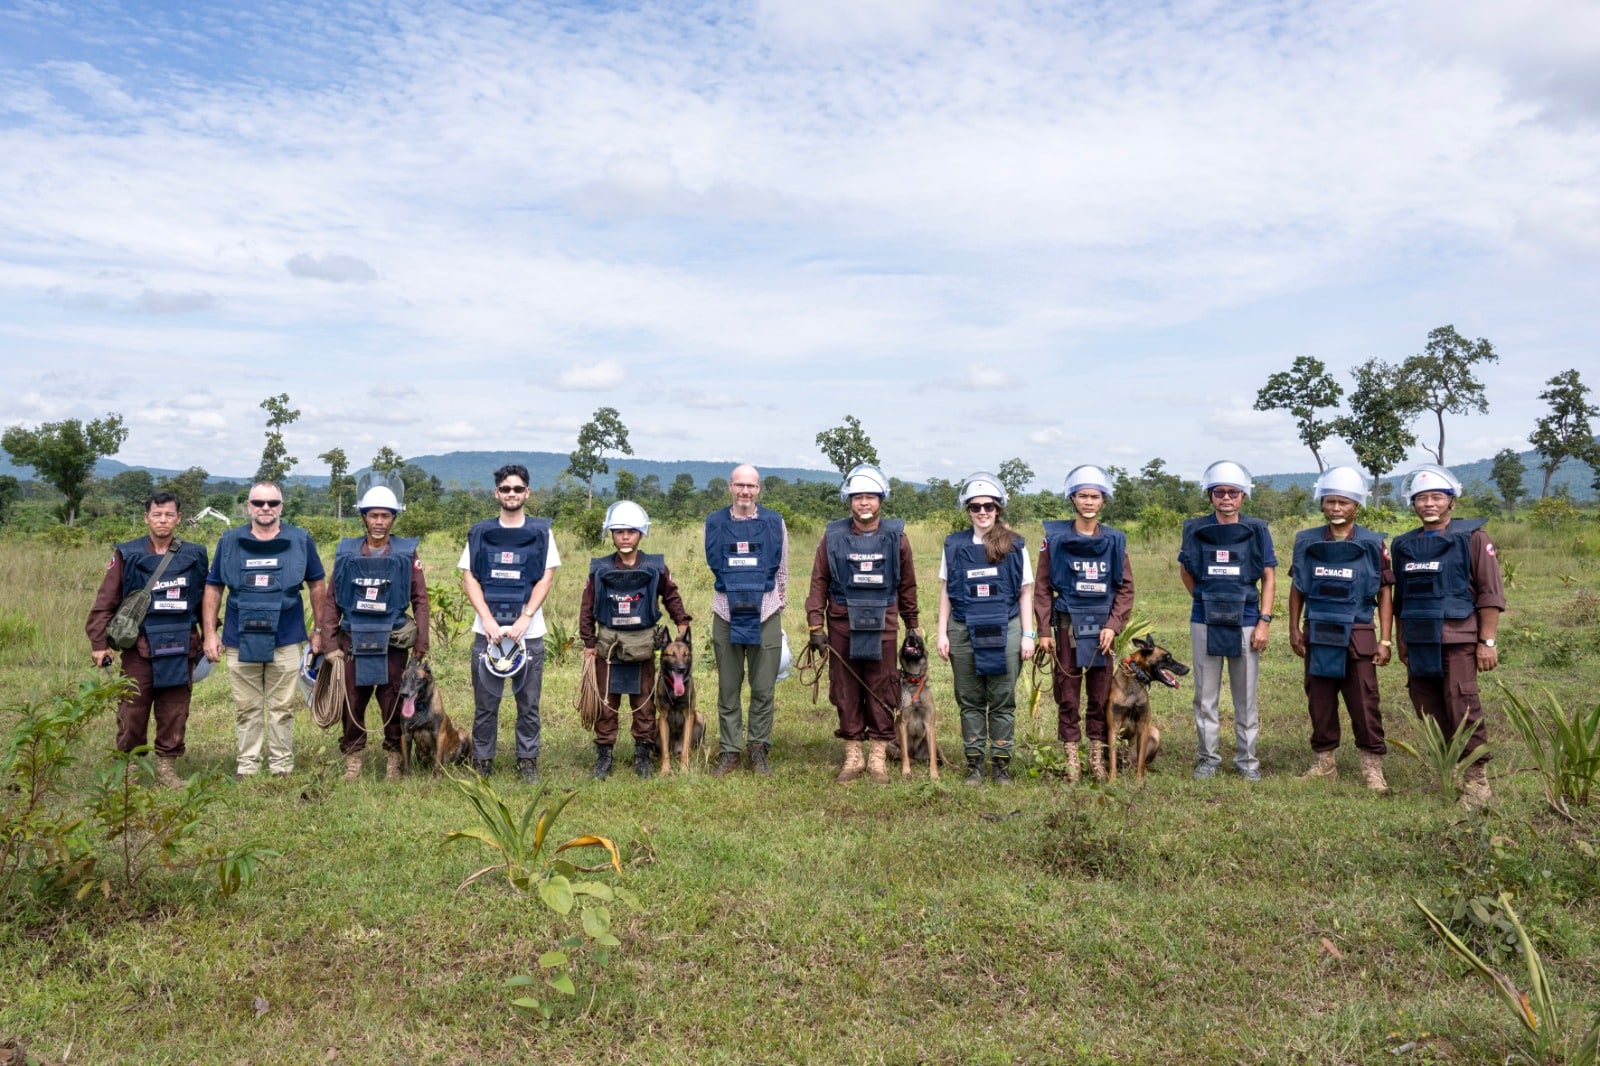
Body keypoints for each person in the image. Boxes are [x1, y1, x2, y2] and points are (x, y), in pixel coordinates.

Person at [1391, 463, 1504, 807]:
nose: (1428, 504)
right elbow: (1400, 599)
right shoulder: (1403, 545)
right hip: (1418, 638)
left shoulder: (1473, 538)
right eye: (1421, 498)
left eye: (1436, 497)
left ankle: (1477, 779)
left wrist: (1486, 642)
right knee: (1427, 706)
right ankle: (1447, 771)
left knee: (1462, 703)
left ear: (1451, 502)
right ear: (1413, 504)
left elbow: (1489, 594)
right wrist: (1401, 639)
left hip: (1457, 638)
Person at [202, 480, 327, 778]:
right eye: (258, 503)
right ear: (249, 506)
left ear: (282, 506)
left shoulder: (301, 540)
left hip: (286, 638)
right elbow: (214, 587)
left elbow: (317, 585)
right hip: (238, 636)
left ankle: (281, 765)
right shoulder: (229, 541)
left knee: (282, 706)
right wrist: (209, 632)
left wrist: (319, 630)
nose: (265, 508)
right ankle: (247, 766)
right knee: (246, 707)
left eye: (272, 503)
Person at [86, 492, 211, 788]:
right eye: (157, 515)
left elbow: (207, 599)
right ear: (146, 518)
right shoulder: (127, 553)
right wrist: (99, 643)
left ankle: (167, 768)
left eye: (169, 514)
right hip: (139, 645)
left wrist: (210, 635)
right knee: (132, 708)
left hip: (181, 644)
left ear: (179, 518)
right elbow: (106, 600)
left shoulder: (195, 554)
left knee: (175, 708)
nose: (163, 520)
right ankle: (128, 769)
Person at [805, 463, 919, 784]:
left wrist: (913, 626)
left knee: (883, 685)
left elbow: (907, 585)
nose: (864, 503)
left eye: (870, 496)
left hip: (884, 622)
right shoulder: (833, 537)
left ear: (881, 499)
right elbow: (818, 583)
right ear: (849, 500)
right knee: (845, 687)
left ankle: (878, 757)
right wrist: (816, 626)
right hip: (842, 622)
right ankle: (853, 755)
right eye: (858, 497)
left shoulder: (897, 539)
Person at [316, 475, 430, 782]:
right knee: (351, 701)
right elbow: (332, 600)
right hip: (353, 642)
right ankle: (353, 758)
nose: (379, 521)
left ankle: (394, 757)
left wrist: (421, 640)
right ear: (364, 517)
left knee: (394, 699)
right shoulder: (346, 553)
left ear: (393, 518)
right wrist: (330, 645)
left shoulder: (407, 553)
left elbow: (420, 598)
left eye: (385, 516)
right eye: (373, 515)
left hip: (392, 642)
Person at [1288, 466, 1394, 792]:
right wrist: (1293, 627)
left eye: (1343, 502)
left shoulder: (1374, 544)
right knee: (1319, 698)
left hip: (1359, 631)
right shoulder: (1305, 541)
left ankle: (1372, 768)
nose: (1336, 508)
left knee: (1364, 700)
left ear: (1356, 505)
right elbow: (1298, 588)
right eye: (1330, 501)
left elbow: (1385, 592)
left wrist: (1386, 639)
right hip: (1318, 631)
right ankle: (1324, 763)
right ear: (1321, 503)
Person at [1034, 465, 1135, 782]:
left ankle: (1097, 755)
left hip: (1102, 630)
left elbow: (1126, 588)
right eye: (1082, 496)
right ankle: (1071, 759)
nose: (1088, 502)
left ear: (1103, 501)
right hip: (1066, 626)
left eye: (1094, 496)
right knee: (1067, 693)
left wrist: (1114, 625)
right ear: (1072, 499)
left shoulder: (1116, 542)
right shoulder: (1055, 540)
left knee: (1100, 693)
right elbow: (1042, 587)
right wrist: (1043, 631)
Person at [459, 463, 558, 783]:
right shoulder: (480, 533)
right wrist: (487, 619)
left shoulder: (542, 532)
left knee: (528, 702)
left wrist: (525, 618)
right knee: (485, 702)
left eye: (517, 488)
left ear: (527, 492)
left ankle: (527, 760)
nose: (511, 494)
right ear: (496, 493)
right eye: (505, 488)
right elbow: (469, 576)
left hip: (528, 635)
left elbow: (546, 577)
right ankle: (483, 760)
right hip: (486, 634)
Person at [1178, 460, 1276, 781]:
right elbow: (1186, 570)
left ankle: (1248, 762)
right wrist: (1202, 598)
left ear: (1243, 496)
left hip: (1246, 619)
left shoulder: (1258, 529)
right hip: (1205, 618)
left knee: (1245, 695)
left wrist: (1263, 621)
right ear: (1210, 495)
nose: (1226, 498)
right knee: (1205, 696)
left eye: (1233, 492)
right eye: (1219, 491)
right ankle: (1208, 758)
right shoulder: (1195, 529)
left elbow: (1269, 576)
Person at [580, 501, 692, 779]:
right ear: (612, 534)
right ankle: (604, 755)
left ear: (641, 533)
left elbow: (671, 594)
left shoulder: (655, 567)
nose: (625, 536)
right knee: (607, 703)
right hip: (609, 648)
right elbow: (587, 605)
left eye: (631, 531)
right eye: (619, 531)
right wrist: (589, 642)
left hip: (643, 646)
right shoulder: (600, 569)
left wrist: (681, 620)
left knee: (644, 701)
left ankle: (643, 753)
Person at [936, 473, 1034, 786]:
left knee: (1002, 698)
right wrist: (941, 633)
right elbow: (945, 592)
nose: (982, 512)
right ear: (967, 510)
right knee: (970, 699)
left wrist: (1028, 635)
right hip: (963, 629)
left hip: (1006, 628)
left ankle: (1001, 766)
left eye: (988, 506)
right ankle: (975, 765)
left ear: (998, 508)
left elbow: (1026, 592)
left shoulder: (1015, 544)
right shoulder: (953, 545)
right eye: (975, 506)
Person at [703, 464, 788, 777]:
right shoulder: (713, 523)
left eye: (751, 486)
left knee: (763, 688)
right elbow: (715, 566)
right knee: (728, 687)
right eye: (739, 485)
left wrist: (778, 605)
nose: (745, 492)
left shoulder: (774, 522)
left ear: (759, 489)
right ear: (730, 487)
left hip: (765, 611)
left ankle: (759, 747)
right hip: (726, 612)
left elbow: (782, 570)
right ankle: (730, 750)